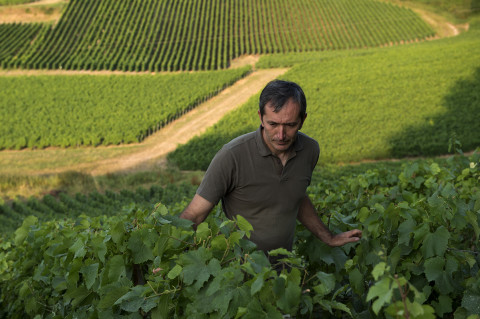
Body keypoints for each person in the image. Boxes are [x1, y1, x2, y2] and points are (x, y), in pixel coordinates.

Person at [180, 79, 362, 255]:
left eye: (290, 125)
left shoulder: (309, 150)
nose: (281, 135)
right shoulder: (232, 156)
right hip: (238, 276)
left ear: (303, 120)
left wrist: (328, 237)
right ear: (261, 117)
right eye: (273, 124)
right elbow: (194, 215)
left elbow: (294, 197)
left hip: (283, 273)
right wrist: (168, 255)